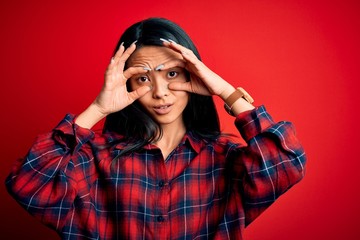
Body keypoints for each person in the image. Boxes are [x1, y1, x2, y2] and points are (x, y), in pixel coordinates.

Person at [5, 17, 306, 239]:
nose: (160, 92)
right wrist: (98, 108)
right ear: (127, 83)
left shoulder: (225, 159)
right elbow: (29, 186)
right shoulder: (94, 158)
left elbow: (286, 165)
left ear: (193, 75)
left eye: (172, 73)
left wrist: (226, 91)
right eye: (144, 78)